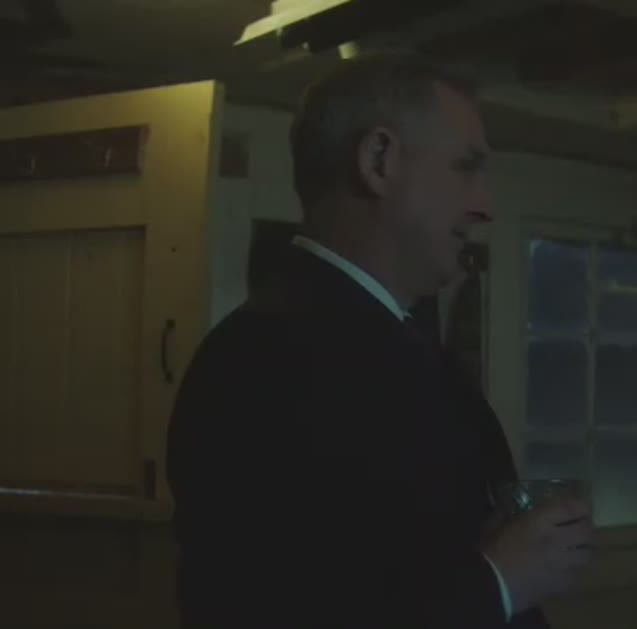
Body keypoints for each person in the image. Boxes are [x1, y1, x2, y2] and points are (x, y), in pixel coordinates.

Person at [167, 53, 593, 629]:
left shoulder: (395, 343)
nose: (486, 206)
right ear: (378, 161)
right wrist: (497, 582)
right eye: (465, 167)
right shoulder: (257, 364)